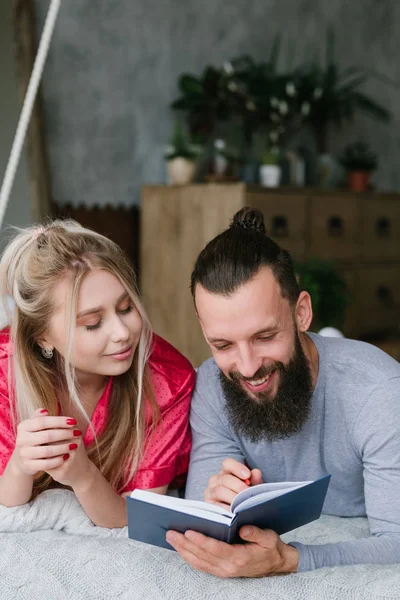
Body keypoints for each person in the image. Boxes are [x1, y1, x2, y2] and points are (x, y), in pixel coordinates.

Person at [166, 207, 400, 577]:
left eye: (264, 337)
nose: (246, 367)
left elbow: (397, 540)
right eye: (223, 344)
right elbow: (202, 517)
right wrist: (215, 505)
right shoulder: (212, 383)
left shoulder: (378, 392)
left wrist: (290, 560)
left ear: (302, 312)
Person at [0, 220, 195, 527]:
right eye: (92, 323)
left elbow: (140, 516)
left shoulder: (168, 381)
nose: (122, 333)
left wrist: (84, 476)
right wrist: (20, 466)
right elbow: (6, 505)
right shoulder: (5, 370)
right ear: (42, 337)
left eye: (126, 308)